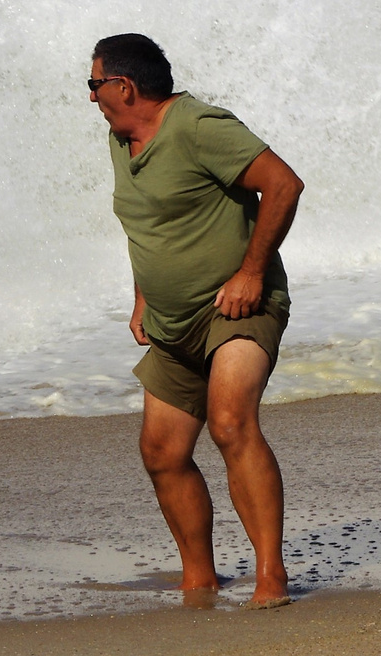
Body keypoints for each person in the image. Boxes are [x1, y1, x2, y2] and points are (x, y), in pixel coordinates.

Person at [89, 33, 304, 609]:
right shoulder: (122, 138)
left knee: (230, 421)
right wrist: (142, 295)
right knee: (162, 451)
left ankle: (270, 579)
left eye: (94, 85)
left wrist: (252, 273)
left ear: (123, 86)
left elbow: (283, 184)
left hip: (235, 309)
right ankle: (199, 579)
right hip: (170, 321)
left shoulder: (199, 126)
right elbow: (149, 223)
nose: (90, 98)